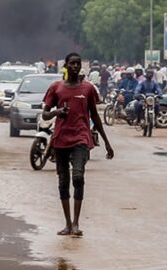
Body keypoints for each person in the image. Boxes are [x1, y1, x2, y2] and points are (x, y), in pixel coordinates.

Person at [42, 52, 114, 237]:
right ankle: (67, 223)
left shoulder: (88, 89)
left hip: (81, 138)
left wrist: (106, 142)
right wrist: (58, 112)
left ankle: (76, 223)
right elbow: (45, 114)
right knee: (63, 181)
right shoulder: (55, 88)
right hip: (60, 139)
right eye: (72, 63)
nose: (75, 66)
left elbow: (95, 116)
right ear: (65, 66)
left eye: (78, 63)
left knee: (78, 177)